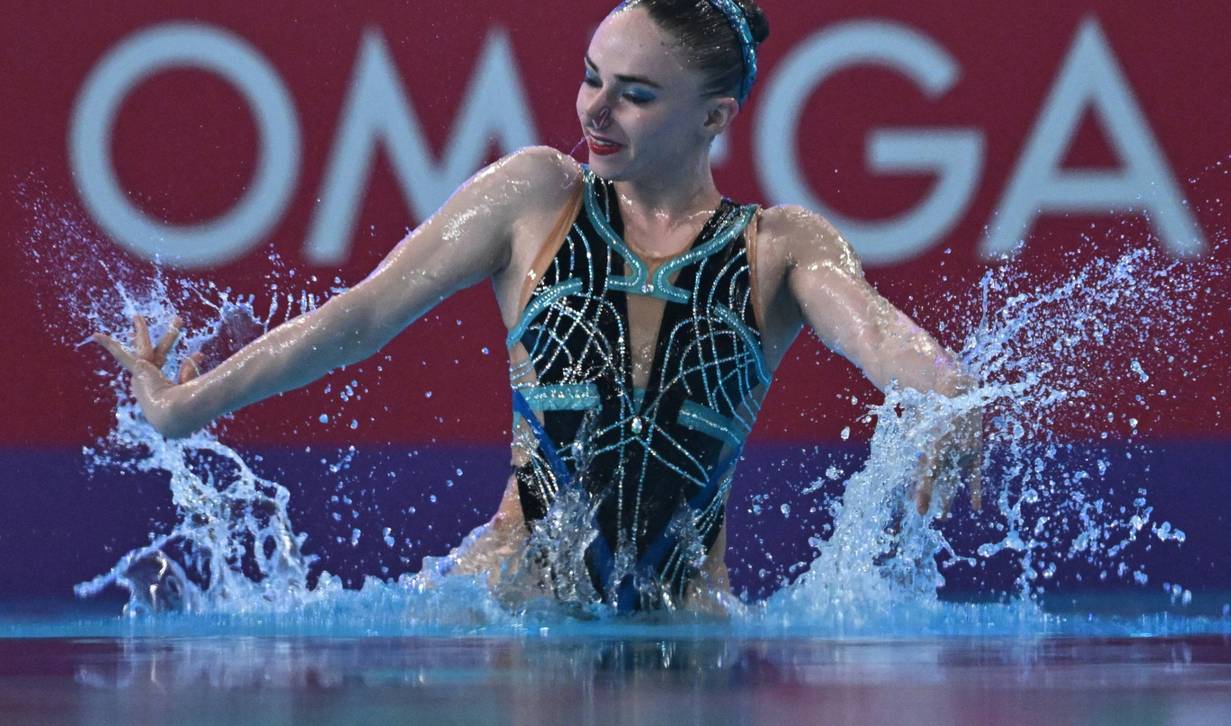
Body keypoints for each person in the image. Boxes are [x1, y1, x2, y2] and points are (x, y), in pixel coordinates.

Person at [94, 0, 981, 614]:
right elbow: (358, 319)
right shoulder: (535, 199)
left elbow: (879, 336)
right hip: (508, 611)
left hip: (687, 634)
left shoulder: (780, 248)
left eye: (636, 95)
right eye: (593, 78)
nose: (598, 110)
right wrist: (185, 405)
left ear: (714, 118)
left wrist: (951, 392)